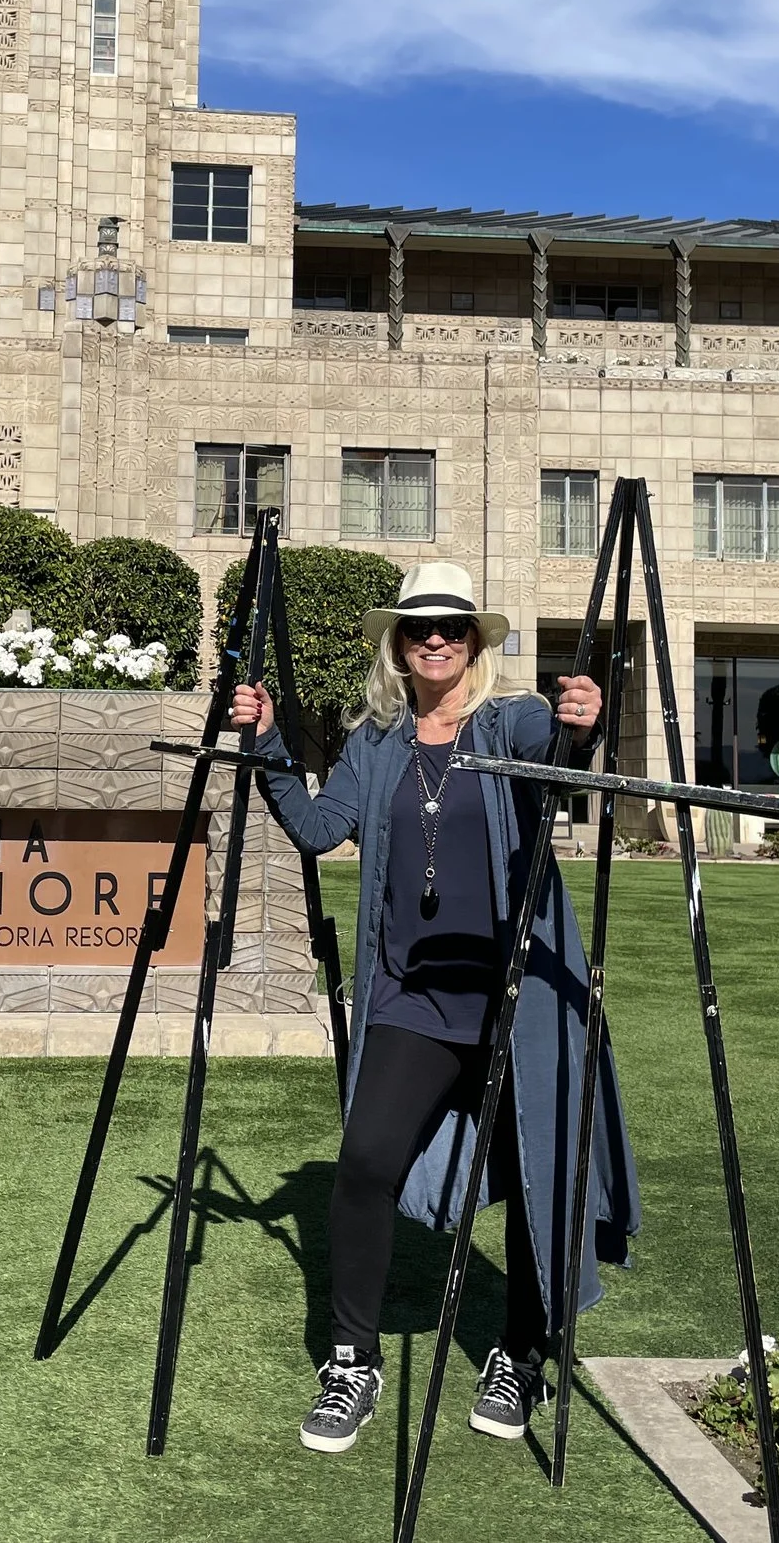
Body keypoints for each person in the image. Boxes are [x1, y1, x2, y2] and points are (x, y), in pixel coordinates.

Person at [230, 561, 640, 1454]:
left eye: (452, 625)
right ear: (399, 641)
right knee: (365, 1163)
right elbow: (315, 826)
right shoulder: (376, 740)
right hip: (410, 999)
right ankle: (352, 1361)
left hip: (515, 998)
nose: (436, 638)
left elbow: (562, 763)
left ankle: (522, 1353)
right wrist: (264, 745)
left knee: (538, 1175)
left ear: (475, 638)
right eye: (419, 626)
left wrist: (583, 725)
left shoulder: (512, 718)